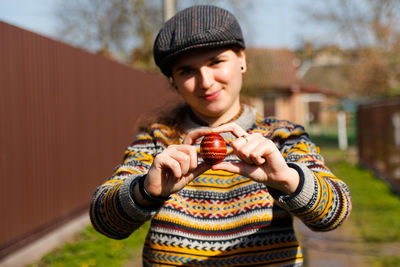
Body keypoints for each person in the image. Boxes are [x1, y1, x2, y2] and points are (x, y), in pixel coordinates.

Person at [90, 5, 352, 267]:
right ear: (174, 82)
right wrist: (146, 191)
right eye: (187, 71)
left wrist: (288, 179)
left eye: (216, 61)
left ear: (242, 60)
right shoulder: (158, 141)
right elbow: (104, 220)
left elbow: (334, 212)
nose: (205, 81)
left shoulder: (282, 137)